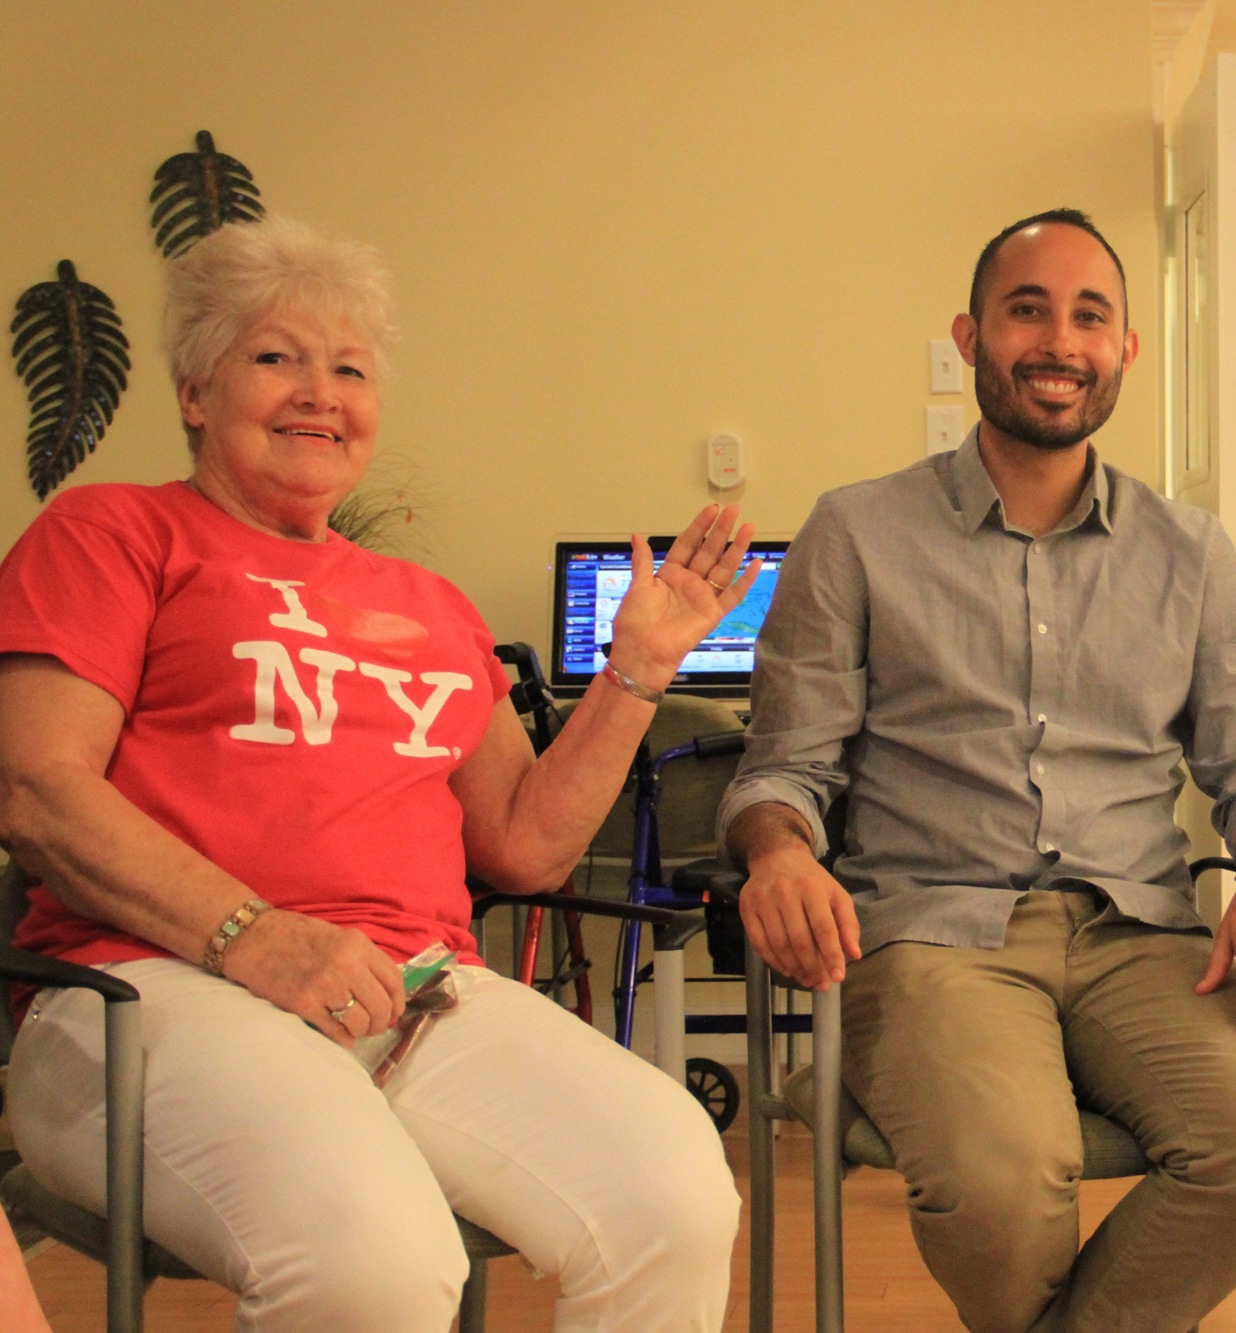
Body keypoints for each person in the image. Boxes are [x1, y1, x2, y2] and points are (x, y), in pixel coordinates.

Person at [0, 216, 748, 1332]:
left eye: (348, 368)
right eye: (275, 357)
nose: (319, 392)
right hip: (145, 987)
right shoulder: (114, 533)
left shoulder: (428, 604)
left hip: (410, 996)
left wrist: (635, 671)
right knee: (378, 1256)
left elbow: (527, 844)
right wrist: (252, 933)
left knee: (673, 1195)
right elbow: (37, 791)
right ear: (196, 390)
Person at [718, 209, 1236, 1333]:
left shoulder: (1190, 554)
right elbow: (784, 764)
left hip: (1139, 934)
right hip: (933, 933)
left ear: (1124, 351)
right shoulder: (855, 531)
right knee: (1009, 1176)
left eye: (1088, 315)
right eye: (1026, 310)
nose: (1058, 340)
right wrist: (777, 852)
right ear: (968, 337)